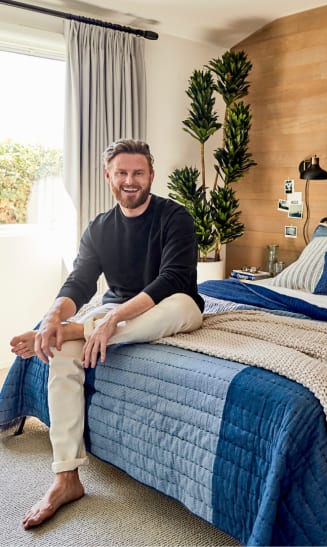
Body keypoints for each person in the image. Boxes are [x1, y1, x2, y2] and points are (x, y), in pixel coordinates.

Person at [8, 139, 205, 529]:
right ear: (109, 177)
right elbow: (79, 282)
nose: (130, 181)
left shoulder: (174, 217)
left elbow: (173, 279)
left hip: (169, 305)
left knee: (181, 304)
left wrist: (102, 323)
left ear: (150, 176)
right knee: (62, 352)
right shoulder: (99, 228)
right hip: (113, 309)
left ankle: (77, 330)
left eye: (138, 173)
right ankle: (66, 478)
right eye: (122, 173)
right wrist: (50, 318)